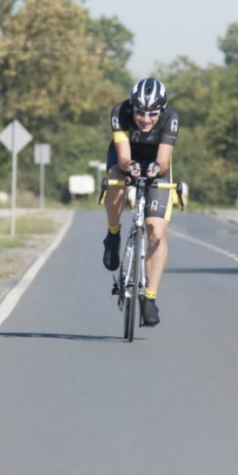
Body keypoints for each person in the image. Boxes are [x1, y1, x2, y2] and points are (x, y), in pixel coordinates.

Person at [102, 77, 180, 327]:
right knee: (115, 177)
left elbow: (165, 160)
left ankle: (149, 298)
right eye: (140, 113)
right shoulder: (120, 113)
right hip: (126, 159)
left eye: (152, 114)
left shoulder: (171, 118)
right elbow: (123, 156)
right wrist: (130, 167)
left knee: (157, 233)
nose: (145, 119)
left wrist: (156, 168)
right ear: (132, 107)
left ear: (162, 110)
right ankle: (113, 234)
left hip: (157, 162)